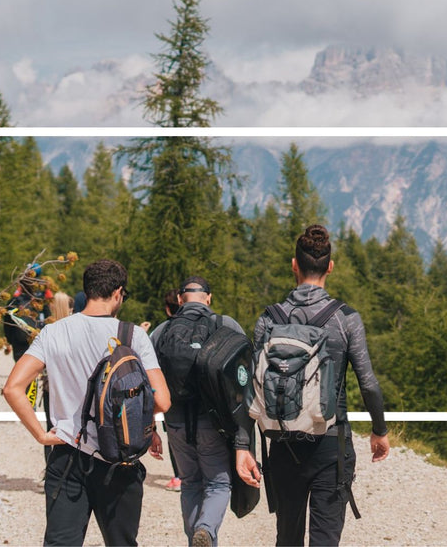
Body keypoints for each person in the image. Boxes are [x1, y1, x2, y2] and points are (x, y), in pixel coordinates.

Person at [2, 258, 171, 546]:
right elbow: (163, 401)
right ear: (118, 293)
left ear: (87, 290)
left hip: (66, 454)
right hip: (119, 456)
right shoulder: (133, 336)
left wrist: (41, 435)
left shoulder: (53, 332)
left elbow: (13, 388)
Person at [243, 224, 390, 547]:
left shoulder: (269, 319)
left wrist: (244, 447)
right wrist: (379, 430)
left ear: (294, 265)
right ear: (330, 267)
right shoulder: (346, 319)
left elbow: (251, 388)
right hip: (331, 445)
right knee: (325, 539)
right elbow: (368, 383)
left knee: (288, 538)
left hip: (282, 444)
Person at [153, 278, 246, 546]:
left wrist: (150, 427)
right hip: (214, 423)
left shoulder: (162, 330)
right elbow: (243, 375)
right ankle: (205, 528)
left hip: (176, 424)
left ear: (180, 300)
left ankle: (197, 536)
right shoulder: (226, 326)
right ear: (209, 298)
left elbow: (148, 380)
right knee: (218, 484)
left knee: (190, 483)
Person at [149, 288, 184, 493]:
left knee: (174, 436)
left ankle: (179, 476)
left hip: (169, 392)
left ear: (167, 309)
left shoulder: (160, 331)